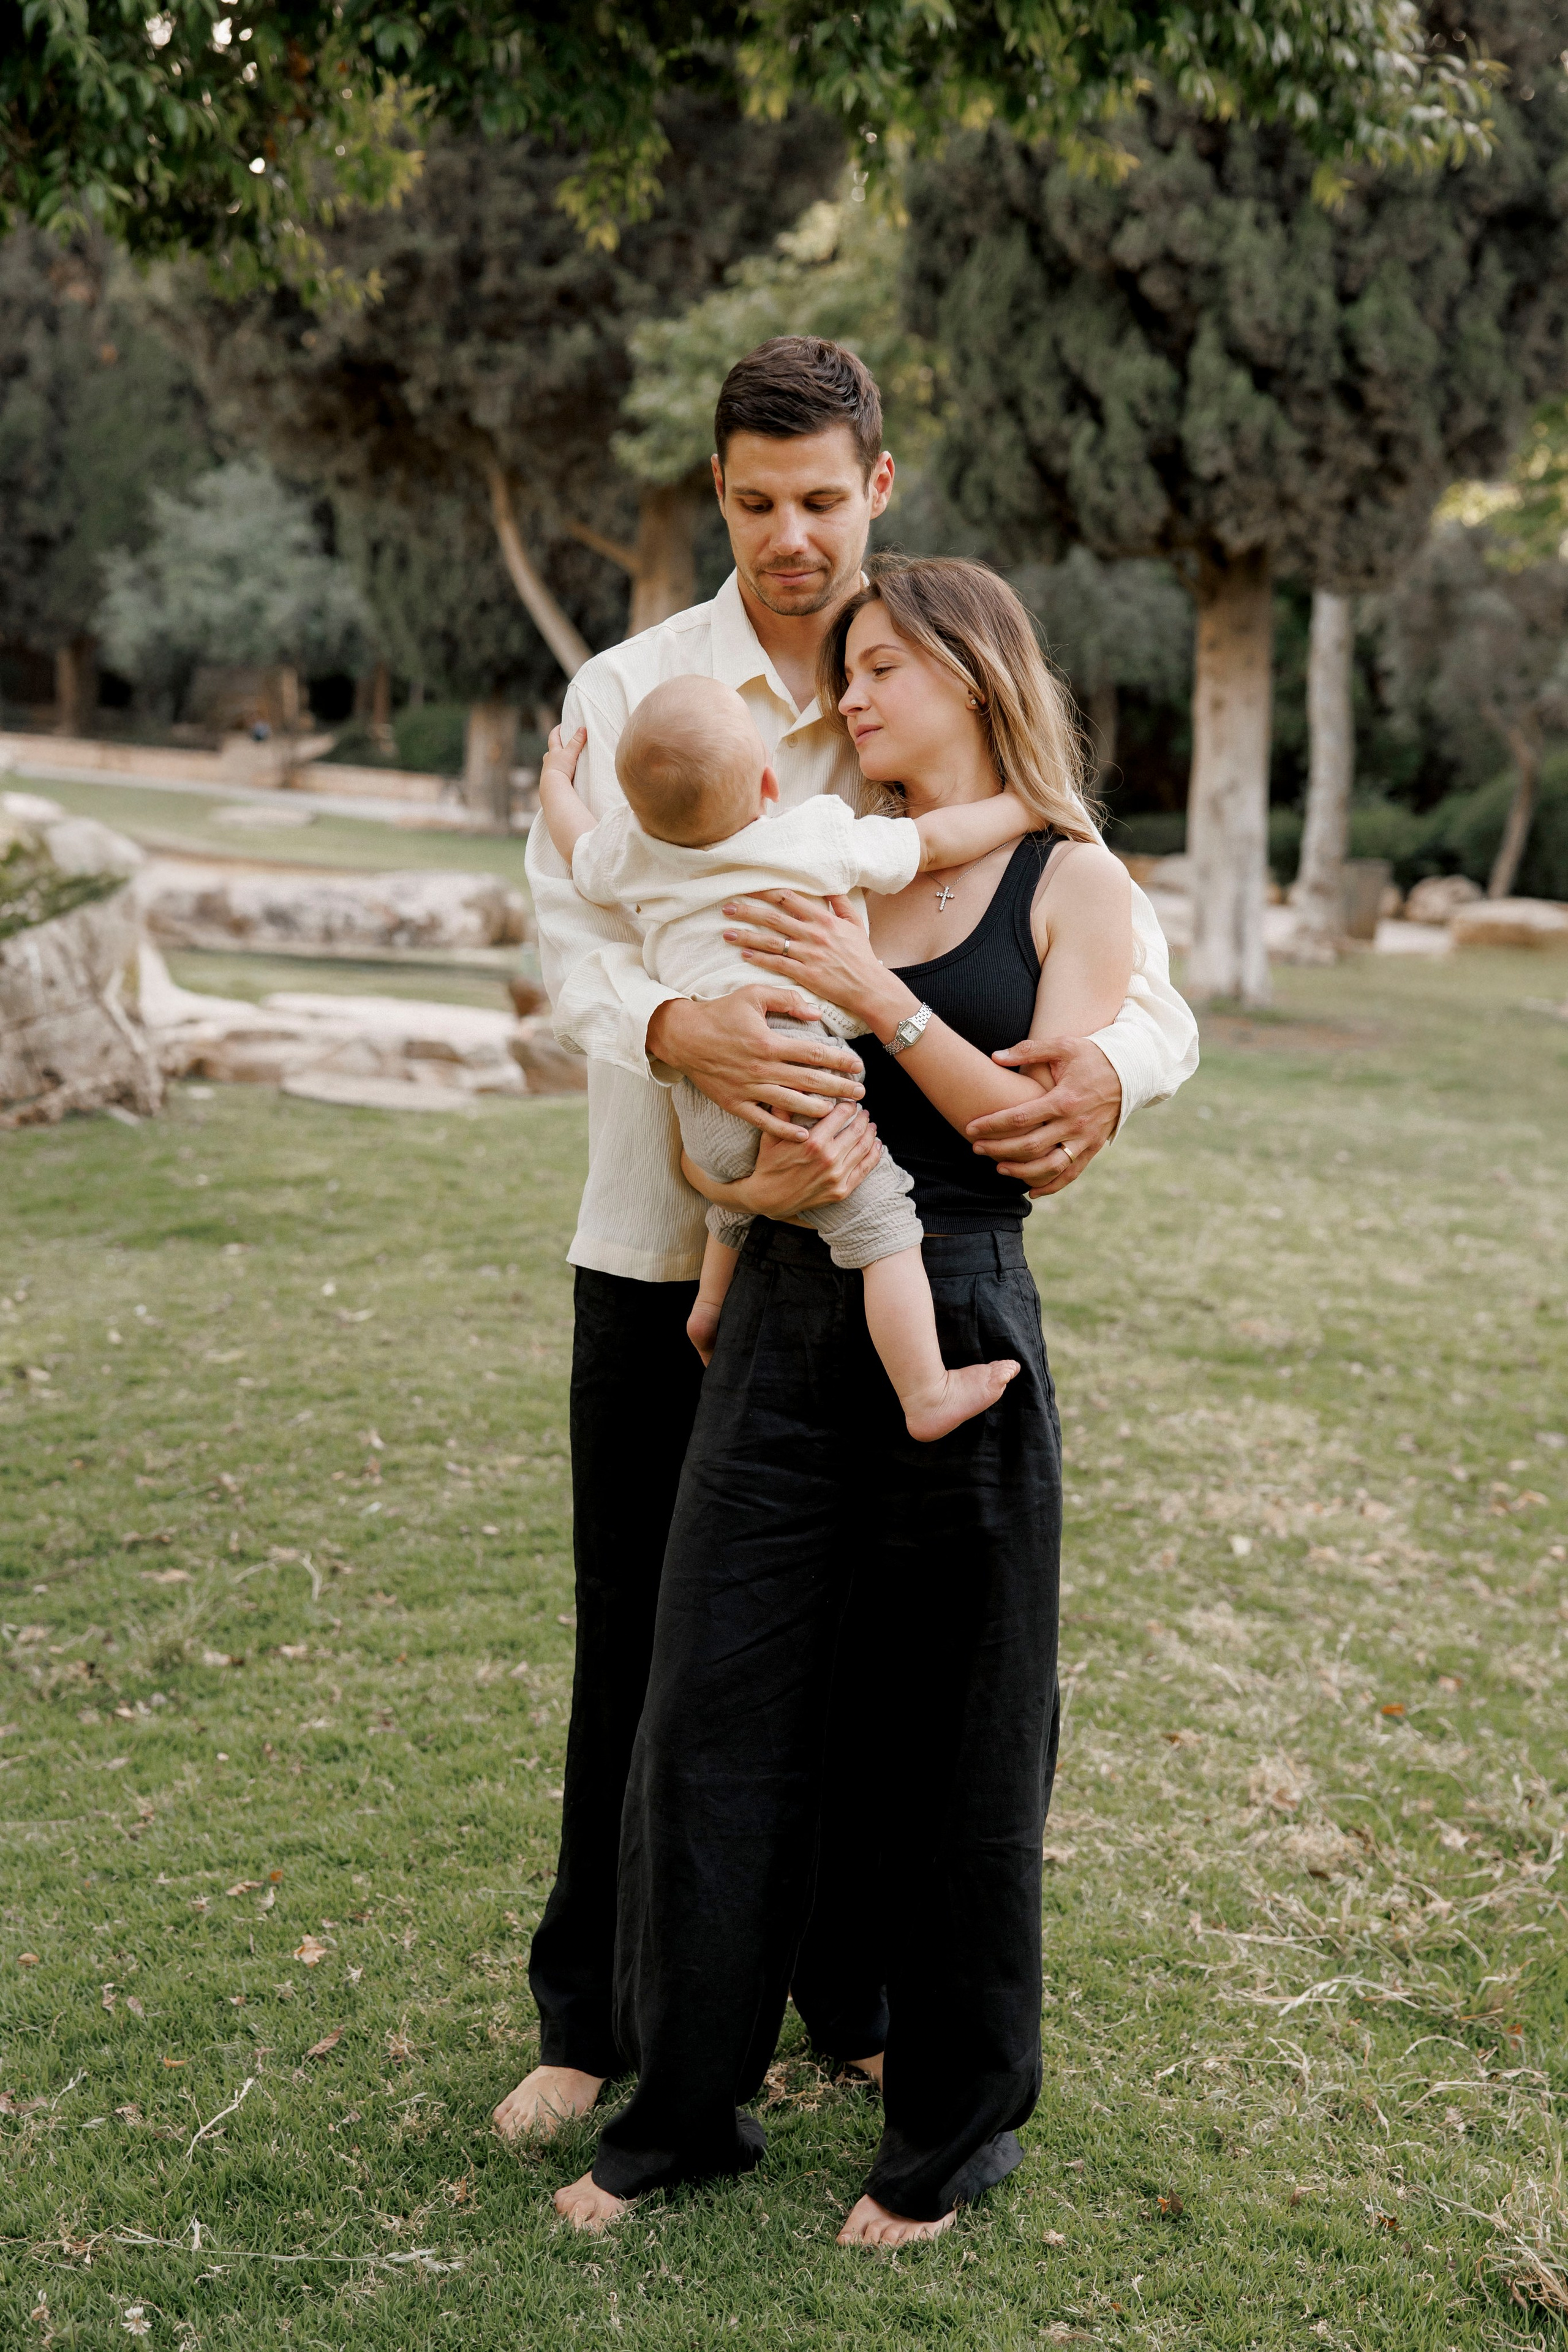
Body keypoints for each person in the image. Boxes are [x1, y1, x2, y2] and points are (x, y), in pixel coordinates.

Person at [495, 336, 1198, 2146]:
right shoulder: (634, 689)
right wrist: (678, 1028)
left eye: (821, 498)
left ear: (876, 484)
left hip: (864, 1247)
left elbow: (1121, 957)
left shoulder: (916, 674)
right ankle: (596, 2015)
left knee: (875, 1661)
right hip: (665, 1242)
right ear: (718, 493)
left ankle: (853, 1994)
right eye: (755, 501)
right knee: (644, 1648)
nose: (790, 535)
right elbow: (571, 934)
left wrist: (1110, 1068)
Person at [538, 670, 1044, 1438]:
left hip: (707, 1092)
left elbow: (575, 841)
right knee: (883, 1227)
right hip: (795, 1070)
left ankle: (710, 1309)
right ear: (769, 783)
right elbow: (933, 842)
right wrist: (1025, 805)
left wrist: (555, 777)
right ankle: (926, 1392)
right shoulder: (808, 837)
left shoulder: (631, 852)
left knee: (733, 1201)